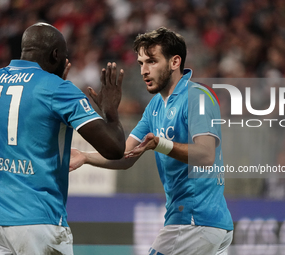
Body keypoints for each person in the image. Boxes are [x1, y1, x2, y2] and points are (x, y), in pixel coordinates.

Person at [70, 27, 234, 255]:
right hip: (194, 221)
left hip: (196, 219)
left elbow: (206, 156)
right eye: (140, 63)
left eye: (152, 61)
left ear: (175, 62)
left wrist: (161, 144)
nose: (144, 71)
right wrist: (86, 155)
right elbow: (125, 155)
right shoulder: (155, 107)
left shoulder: (197, 97)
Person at [0, 22, 125, 255]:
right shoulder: (58, 89)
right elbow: (114, 148)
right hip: (38, 221)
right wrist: (110, 112)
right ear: (56, 55)